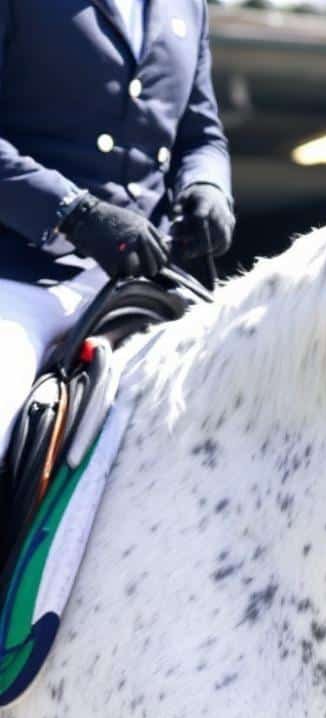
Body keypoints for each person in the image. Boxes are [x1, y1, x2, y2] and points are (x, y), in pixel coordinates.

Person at [0, 0, 234, 459]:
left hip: (147, 283)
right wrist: (73, 212)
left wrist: (208, 187)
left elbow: (201, 134)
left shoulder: (187, 7)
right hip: (22, 279)